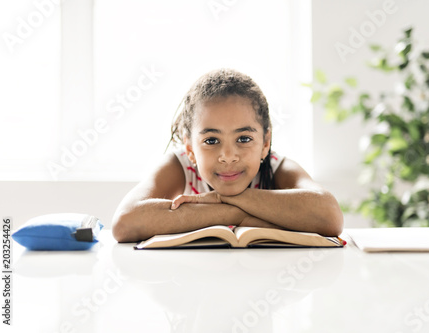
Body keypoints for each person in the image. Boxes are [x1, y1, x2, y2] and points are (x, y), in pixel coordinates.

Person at [112, 68, 343, 242]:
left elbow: (330, 216)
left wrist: (221, 199)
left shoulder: (277, 168)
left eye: (243, 139)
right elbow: (125, 223)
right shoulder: (179, 166)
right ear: (190, 149)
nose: (228, 156)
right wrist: (239, 214)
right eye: (211, 141)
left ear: (265, 143)